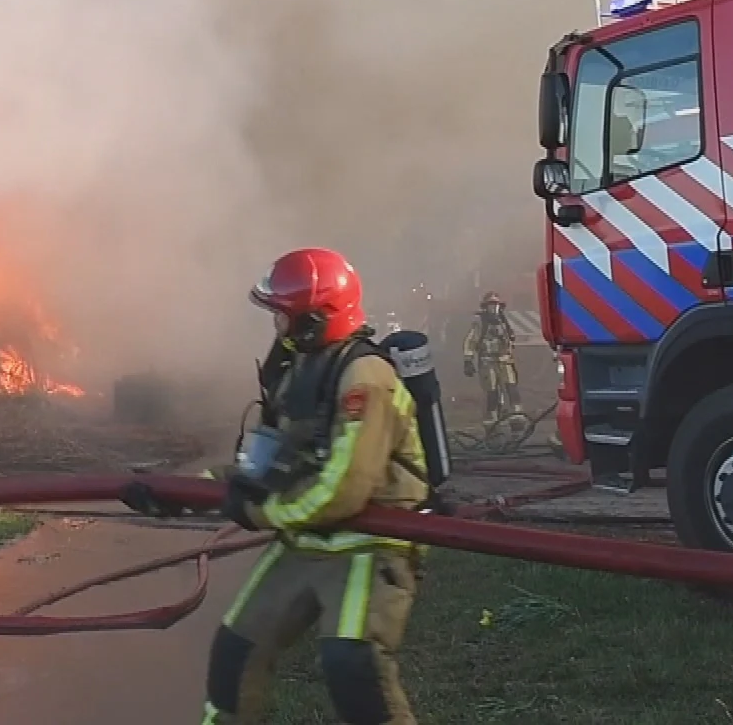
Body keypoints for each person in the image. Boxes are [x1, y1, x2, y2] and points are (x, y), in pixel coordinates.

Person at [124, 247, 428, 725]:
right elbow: (260, 465)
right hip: (305, 539)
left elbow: (344, 489)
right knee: (235, 651)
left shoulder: (364, 378)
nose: (277, 328)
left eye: (283, 317)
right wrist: (176, 493)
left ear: (313, 319)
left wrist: (260, 513)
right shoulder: (296, 369)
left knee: (353, 666)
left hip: (369, 545)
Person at [464, 292, 521, 424]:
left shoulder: (504, 322)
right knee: (492, 391)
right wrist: (468, 359)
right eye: (491, 304)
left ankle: (517, 415)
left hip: (505, 360)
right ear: (485, 307)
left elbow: (510, 339)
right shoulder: (480, 323)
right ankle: (492, 419)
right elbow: (471, 341)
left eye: (496, 304)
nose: (494, 307)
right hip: (487, 361)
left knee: (512, 387)